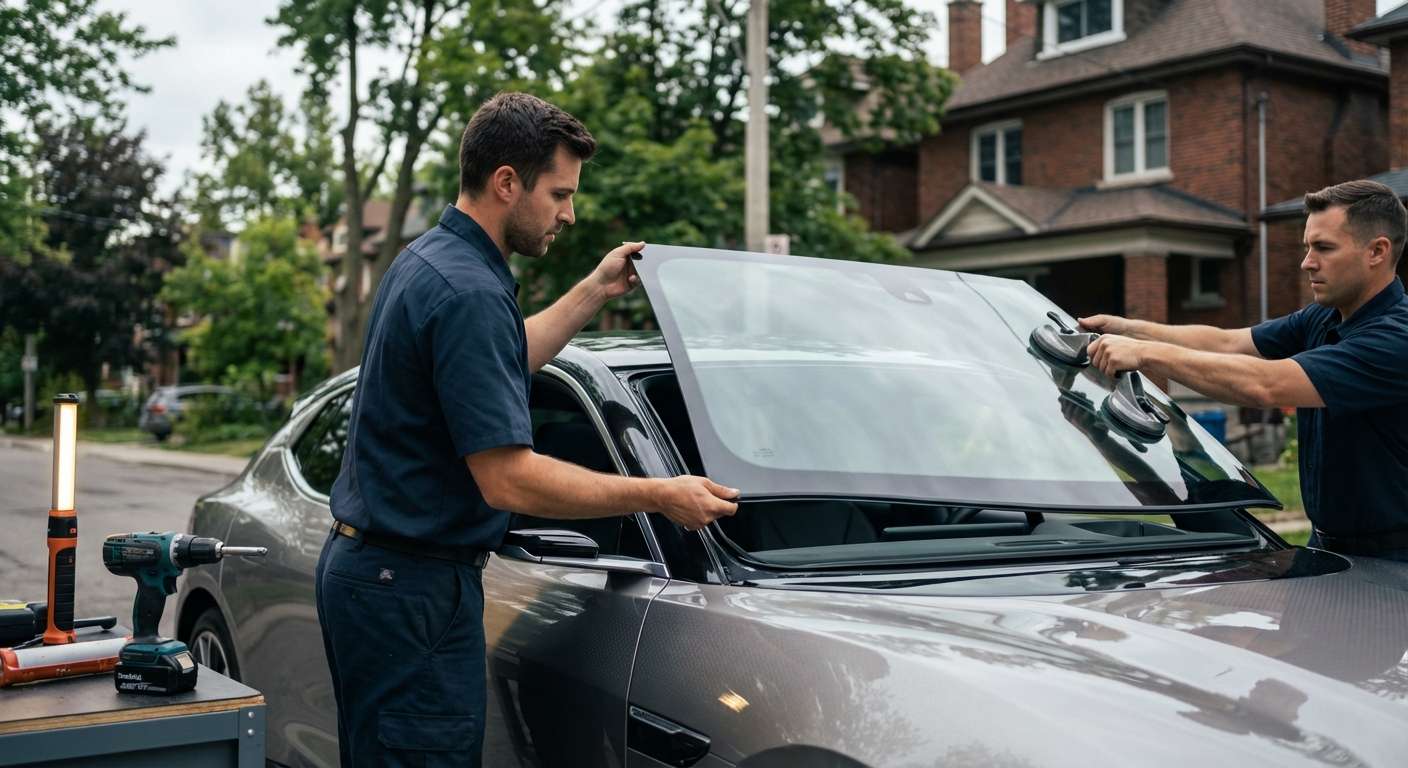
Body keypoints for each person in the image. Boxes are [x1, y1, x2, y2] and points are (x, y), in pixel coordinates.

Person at [314, 92, 740, 767]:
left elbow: (505, 353)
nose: (569, 213)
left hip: (384, 578)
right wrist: (658, 493)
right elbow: (507, 477)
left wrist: (596, 288)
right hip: (412, 588)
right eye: (559, 194)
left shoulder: (435, 262)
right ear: (507, 182)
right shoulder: (470, 293)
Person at [1080, 179, 1408, 562]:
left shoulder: (1395, 339)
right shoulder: (1323, 316)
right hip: (1330, 546)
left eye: (1323, 248)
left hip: (1395, 562)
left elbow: (1265, 385)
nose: (1306, 262)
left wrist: (1145, 353)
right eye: (1307, 247)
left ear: (1377, 252)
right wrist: (1129, 328)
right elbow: (1227, 342)